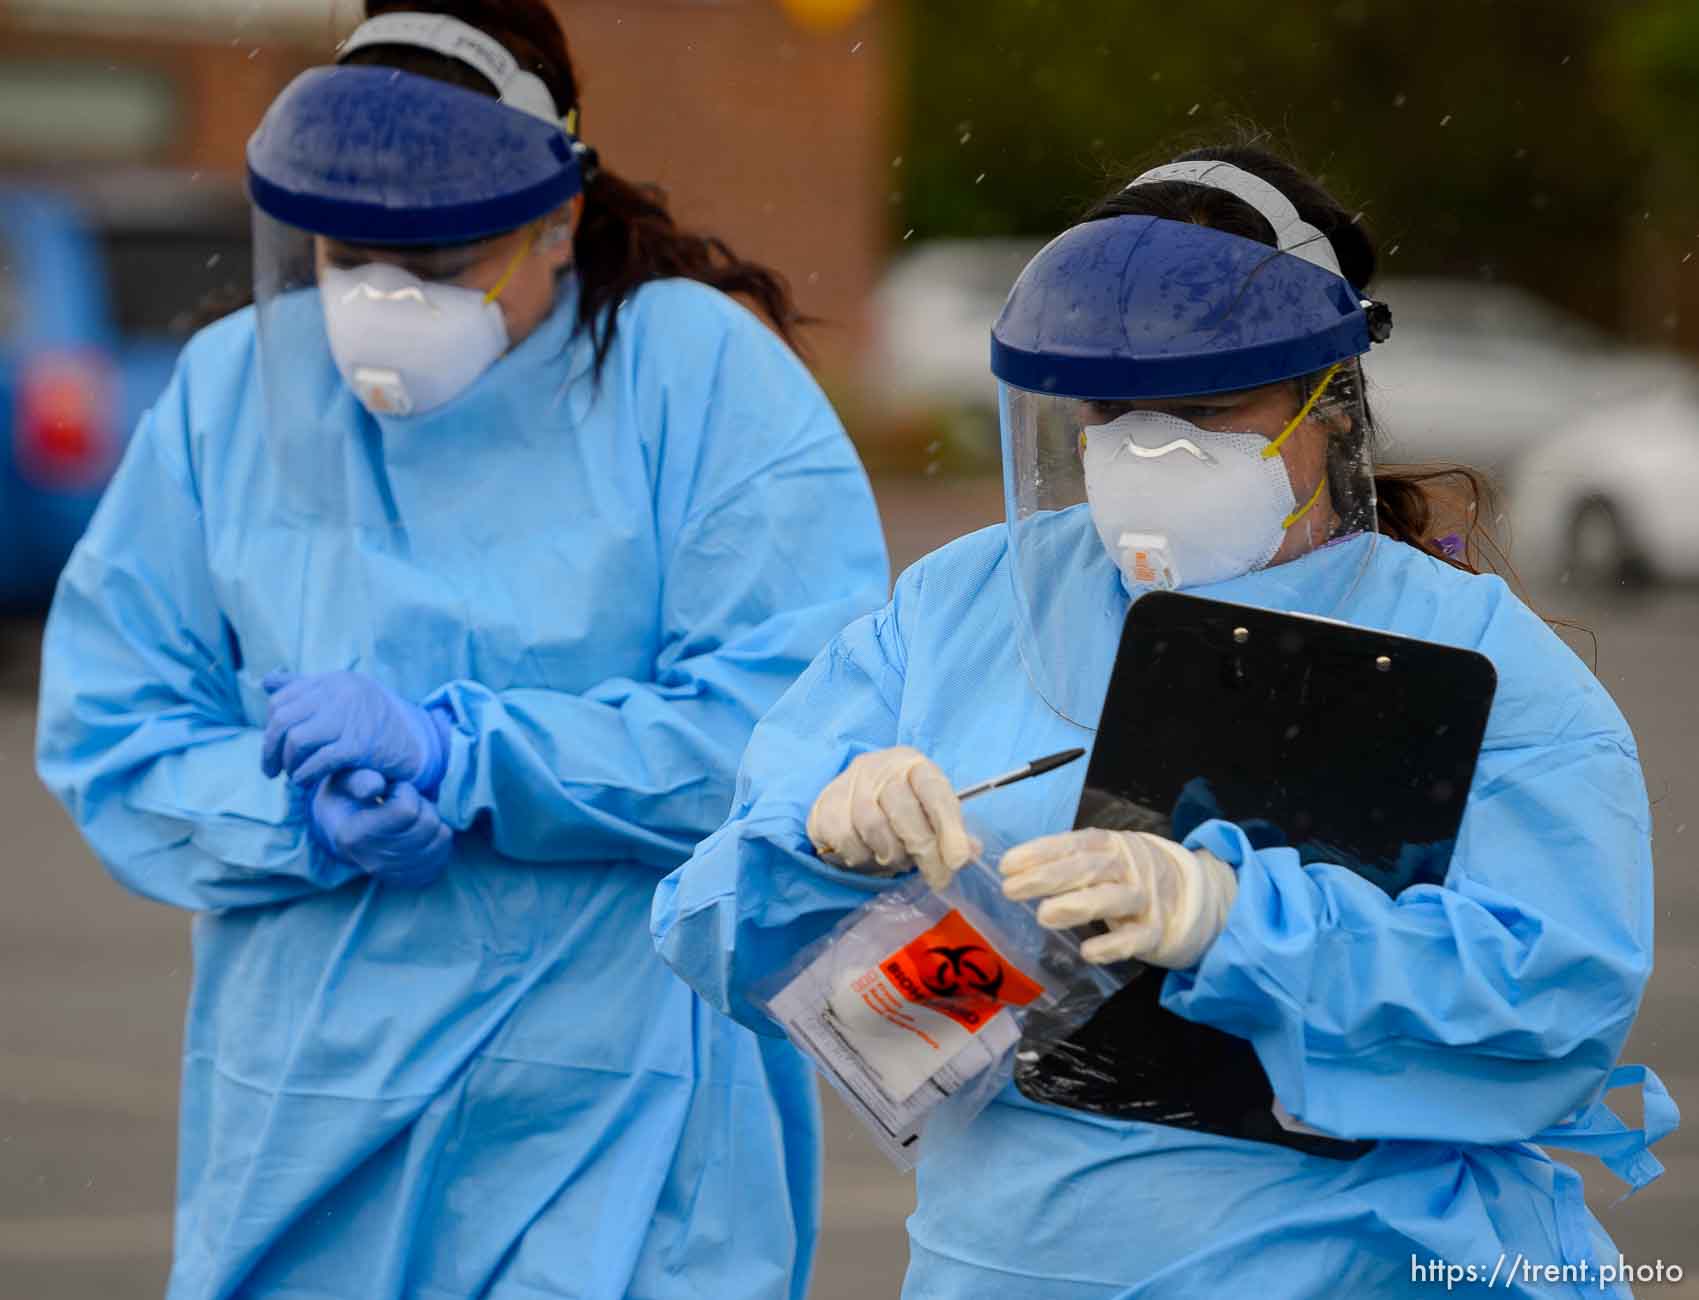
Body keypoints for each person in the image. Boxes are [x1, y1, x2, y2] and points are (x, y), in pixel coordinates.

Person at [653, 144, 1677, 1297]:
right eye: (1108, 406)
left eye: (1205, 406)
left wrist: (1231, 922)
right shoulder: (960, 607)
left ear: (1327, 404)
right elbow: (719, 938)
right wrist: (816, 849)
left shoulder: (1476, 662)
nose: (1147, 447)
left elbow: (1551, 1005)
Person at [36, 3, 888, 1297]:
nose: (386, 297)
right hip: (314, 1104)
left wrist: (469, 754)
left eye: (441, 256)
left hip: (627, 1105)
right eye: (348, 251)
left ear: (556, 216)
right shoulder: (230, 390)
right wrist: (292, 814)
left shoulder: (695, 373)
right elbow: (113, 723)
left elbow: (795, 730)